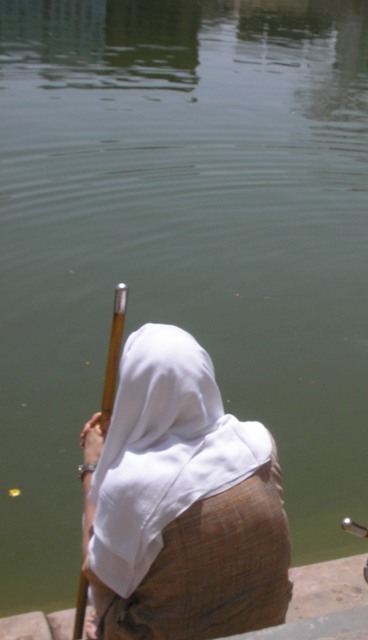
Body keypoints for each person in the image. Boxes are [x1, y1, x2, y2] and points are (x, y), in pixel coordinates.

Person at [80, 323, 292, 640]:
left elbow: (99, 573)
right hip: (268, 619)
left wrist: (92, 466)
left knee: (106, 585)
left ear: (134, 388)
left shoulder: (133, 484)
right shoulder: (257, 442)